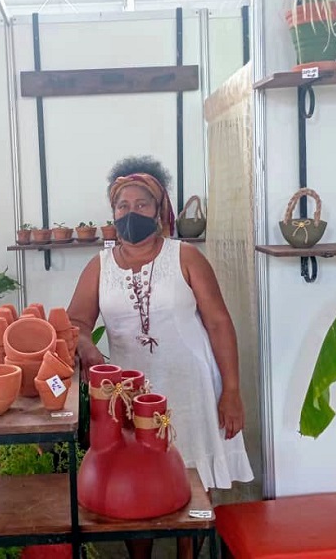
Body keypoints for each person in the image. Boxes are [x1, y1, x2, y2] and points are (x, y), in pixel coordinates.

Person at [67, 155, 254, 559]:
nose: (130, 213)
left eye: (141, 204)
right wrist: (87, 347)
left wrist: (232, 391)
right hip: (129, 395)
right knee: (136, 478)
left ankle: (189, 555)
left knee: (193, 475)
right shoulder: (99, 266)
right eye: (122, 206)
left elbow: (219, 323)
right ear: (113, 213)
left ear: (159, 210)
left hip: (191, 388)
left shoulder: (185, 257)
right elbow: (76, 322)